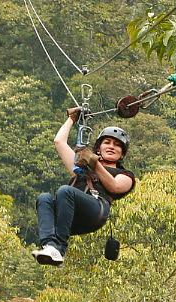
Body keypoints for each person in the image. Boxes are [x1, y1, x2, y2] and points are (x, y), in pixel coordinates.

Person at [32, 108, 136, 266]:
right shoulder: (82, 167)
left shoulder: (125, 175)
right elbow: (59, 142)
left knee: (65, 191)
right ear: (99, 148)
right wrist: (72, 119)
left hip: (96, 211)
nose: (111, 146)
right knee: (44, 198)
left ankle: (60, 248)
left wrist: (94, 164)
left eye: (117, 145)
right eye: (107, 142)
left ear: (121, 154)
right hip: (69, 216)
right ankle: (50, 246)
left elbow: (115, 187)